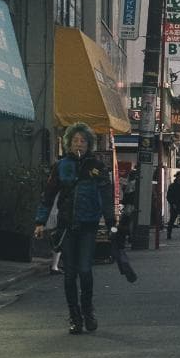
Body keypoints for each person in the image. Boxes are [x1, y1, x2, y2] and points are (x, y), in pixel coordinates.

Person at [34, 121, 116, 335]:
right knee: (70, 275)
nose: (79, 144)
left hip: (89, 225)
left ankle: (88, 311)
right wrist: (40, 222)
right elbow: (48, 195)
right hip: (67, 226)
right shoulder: (61, 166)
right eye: (75, 141)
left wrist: (111, 223)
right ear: (68, 144)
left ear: (89, 144)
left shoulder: (97, 167)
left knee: (86, 271)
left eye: (83, 141)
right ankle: (75, 317)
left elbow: (107, 195)